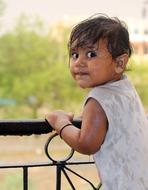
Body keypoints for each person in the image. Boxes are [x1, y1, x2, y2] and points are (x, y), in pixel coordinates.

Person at [45, 14, 148, 189]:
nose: (79, 62)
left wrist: (60, 123)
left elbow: (87, 144)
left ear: (119, 63)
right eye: (75, 54)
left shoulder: (99, 98)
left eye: (91, 54)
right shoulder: (126, 89)